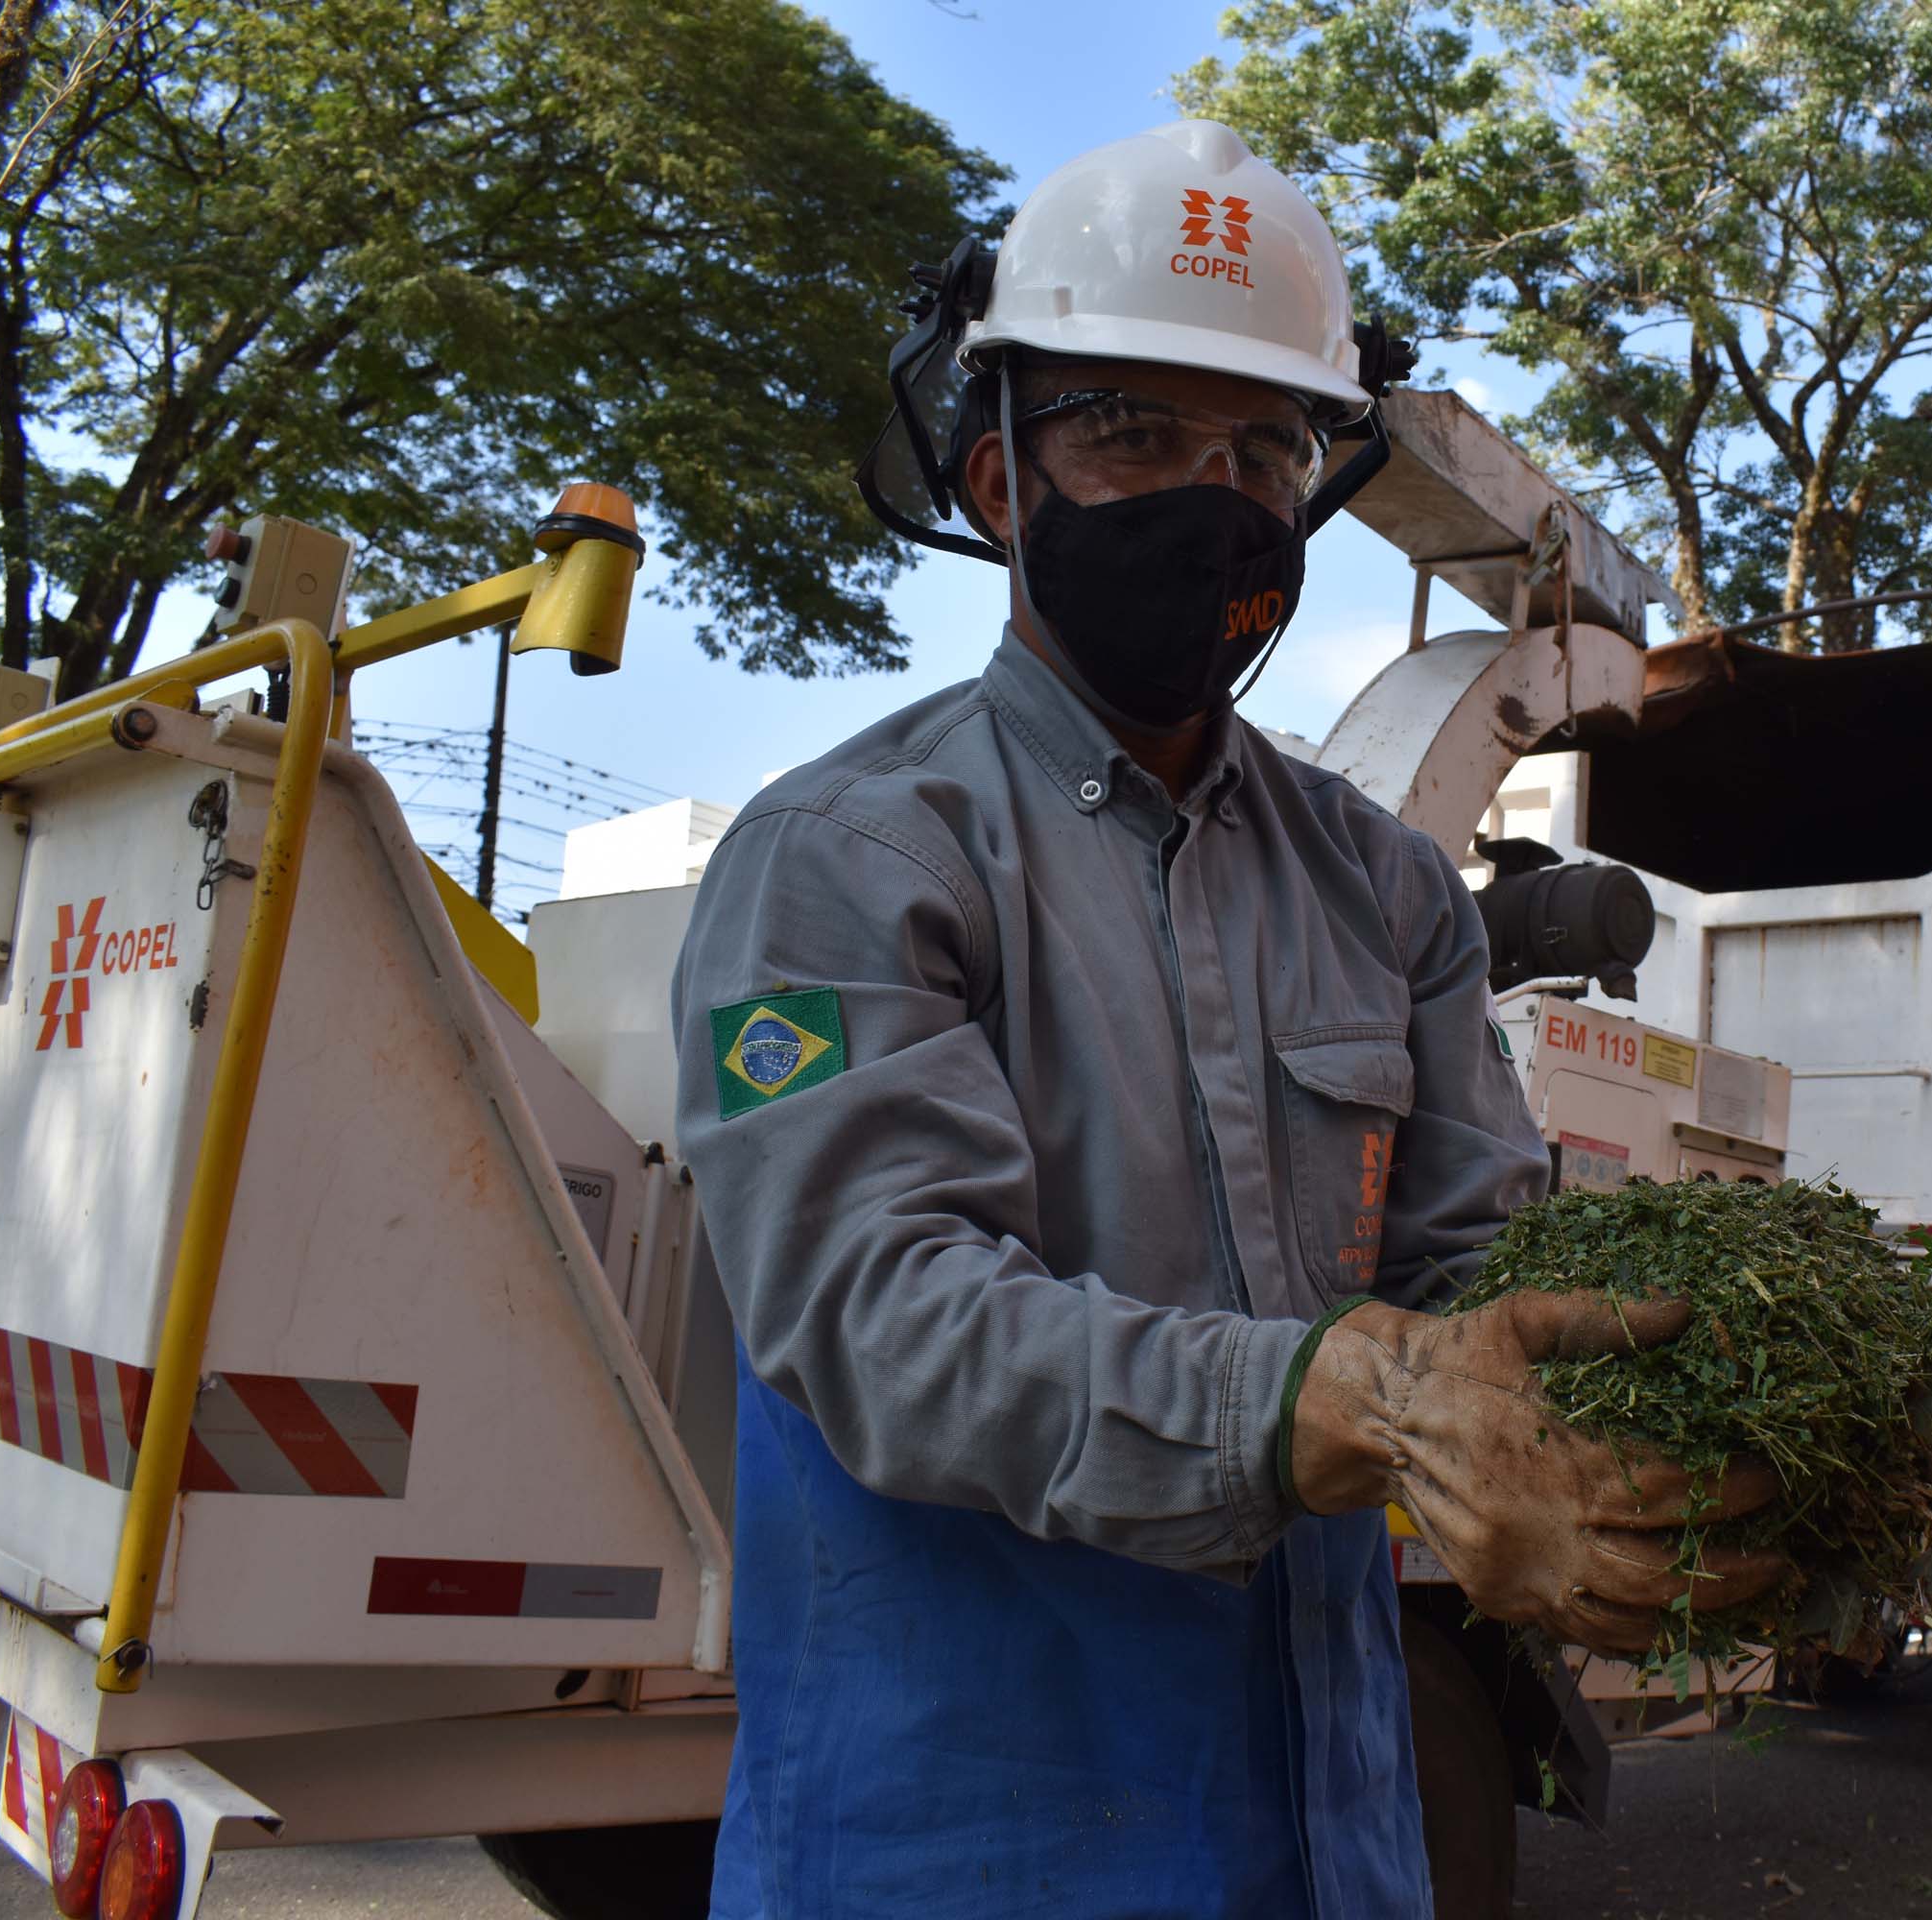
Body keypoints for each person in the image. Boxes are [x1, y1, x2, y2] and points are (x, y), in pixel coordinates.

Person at [674, 119, 1781, 1917]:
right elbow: (874, 1318)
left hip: (1334, 1848)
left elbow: (1468, 1278)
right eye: (1129, 431)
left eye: (1261, 445)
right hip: (952, 1856)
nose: (1213, 492)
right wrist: (1327, 1398)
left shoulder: (1387, 888)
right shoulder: (845, 862)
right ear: (997, 479)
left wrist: (1637, 1408)